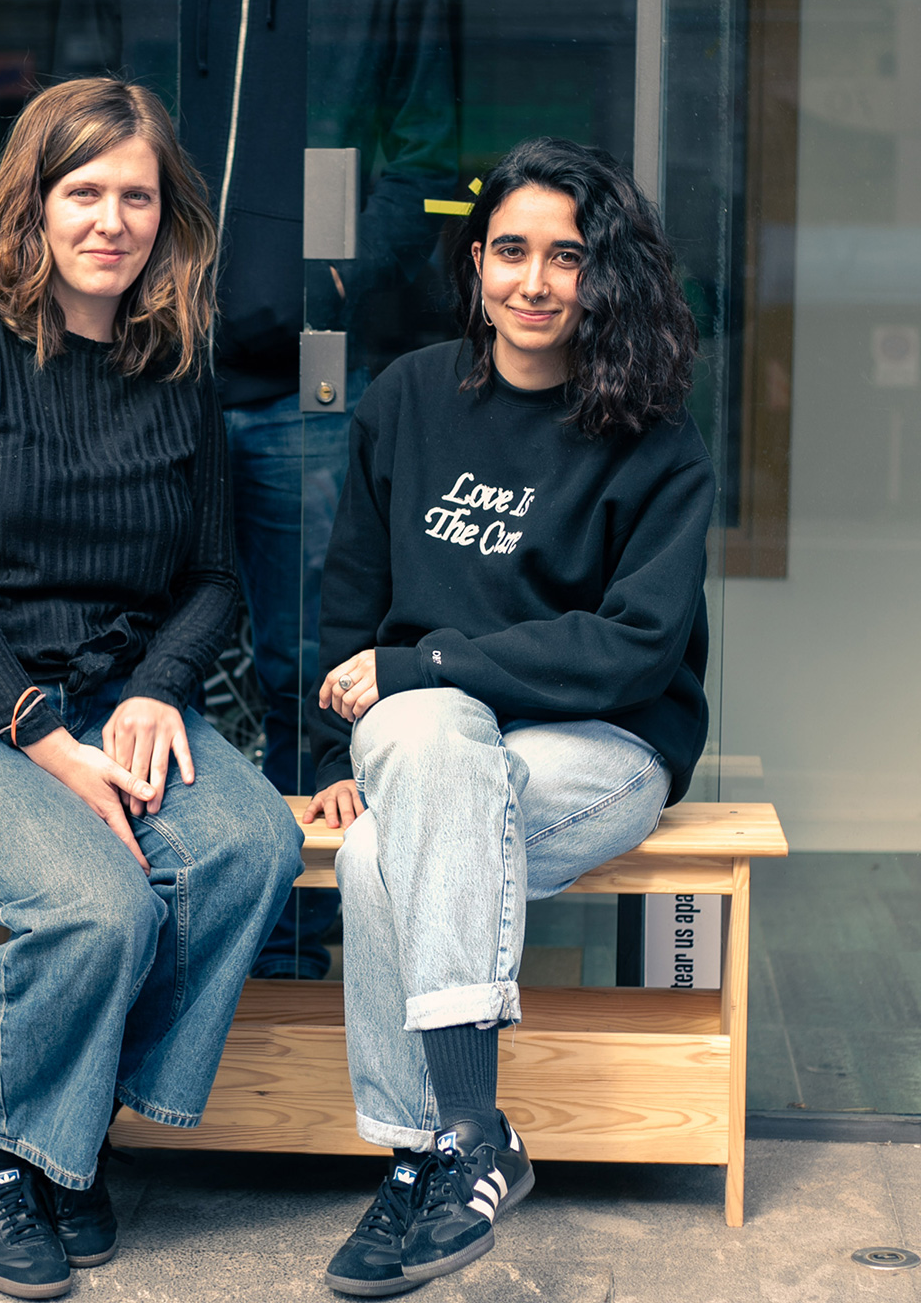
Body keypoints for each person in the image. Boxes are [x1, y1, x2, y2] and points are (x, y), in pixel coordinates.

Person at [0, 78, 303, 1301]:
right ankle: (7, 1162)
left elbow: (214, 577)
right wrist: (45, 738)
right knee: (100, 906)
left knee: (252, 844)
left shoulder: (175, 364)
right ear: (35, 205)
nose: (111, 219)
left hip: (114, 702)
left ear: (168, 216)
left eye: (136, 195)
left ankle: (76, 1122)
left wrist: (160, 690)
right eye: (83, 191)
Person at [55, 0, 456, 977]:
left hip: (315, 365)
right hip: (142, 374)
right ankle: (158, 937)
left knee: (304, 663)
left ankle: (298, 957)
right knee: (134, 652)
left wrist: (324, 285)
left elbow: (417, 151)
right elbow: (68, 139)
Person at [305, 137, 715, 1295]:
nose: (535, 283)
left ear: (607, 274)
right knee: (418, 764)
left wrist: (432, 665)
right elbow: (350, 604)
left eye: (568, 257)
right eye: (512, 251)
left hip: (605, 747)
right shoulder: (407, 400)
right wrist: (356, 739)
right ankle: (469, 1144)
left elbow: (632, 648)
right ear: (475, 259)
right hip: (422, 738)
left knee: (397, 835)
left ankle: (430, 1145)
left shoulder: (653, 436)